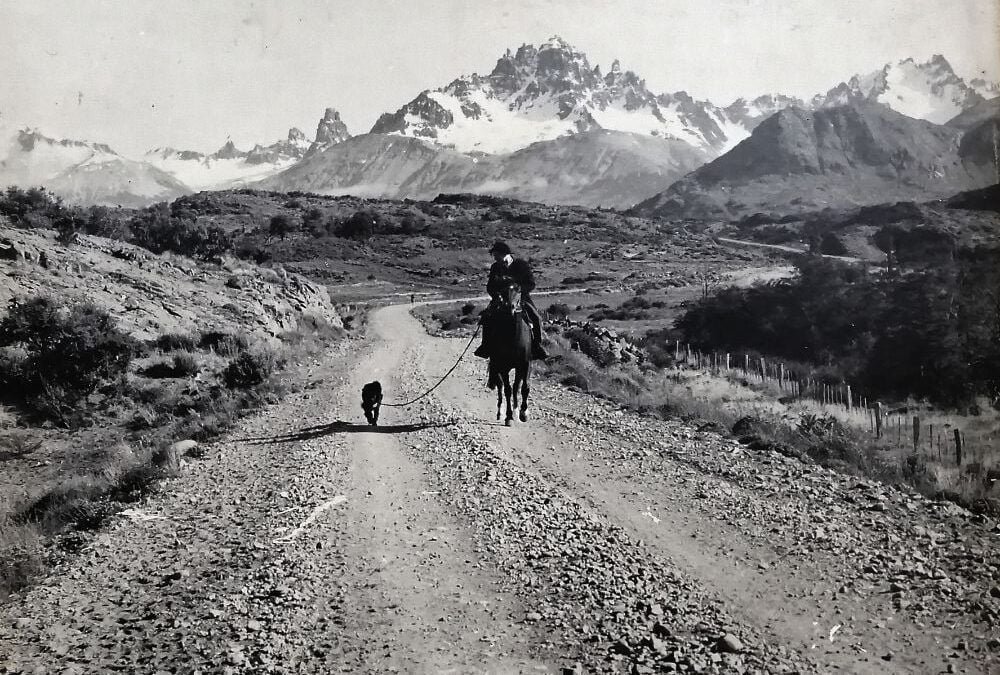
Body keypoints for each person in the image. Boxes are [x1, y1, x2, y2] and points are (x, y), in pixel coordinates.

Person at [474, 240, 548, 360]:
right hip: (500, 300)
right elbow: (490, 286)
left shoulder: (521, 265)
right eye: (494, 256)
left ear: (505, 254)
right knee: (486, 319)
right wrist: (496, 295)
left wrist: (519, 291)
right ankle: (485, 346)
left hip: (521, 299)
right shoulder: (495, 267)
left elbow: (531, 283)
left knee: (536, 318)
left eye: (496, 255)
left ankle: (537, 347)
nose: (495, 258)